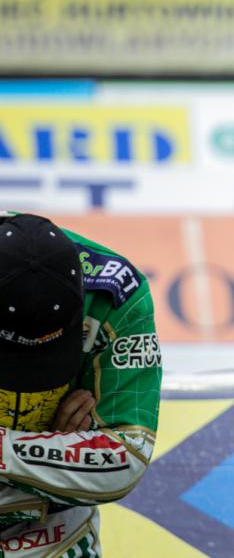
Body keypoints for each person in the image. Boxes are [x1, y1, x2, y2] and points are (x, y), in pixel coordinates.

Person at [0, 213, 161, 554]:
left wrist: (8, 452)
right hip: (56, 506)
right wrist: (53, 455)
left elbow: (127, 457)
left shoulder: (117, 291)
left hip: (53, 537)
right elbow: (85, 469)